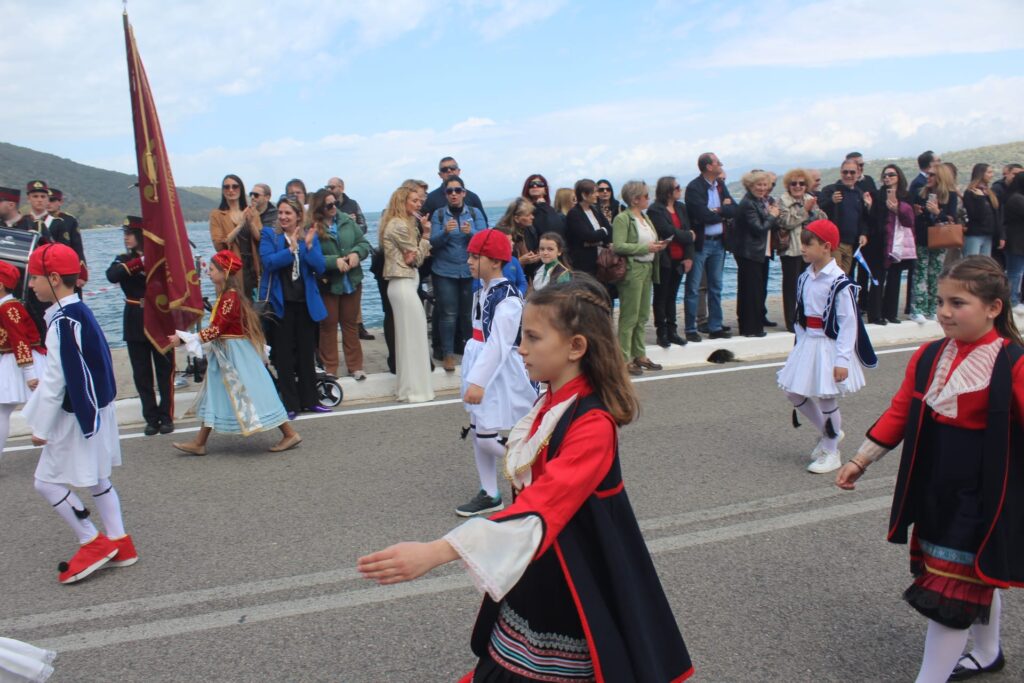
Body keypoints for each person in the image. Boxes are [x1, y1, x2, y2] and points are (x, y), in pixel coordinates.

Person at [358, 275, 694, 683]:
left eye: (533, 338)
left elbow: (543, 503)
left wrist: (437, 552)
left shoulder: (593, 425)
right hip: (539, 559)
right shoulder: (550, 399)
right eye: (522, 336)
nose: (520, 348)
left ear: (576, 347)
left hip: (574, 572)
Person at [835, 256, 1023, 683]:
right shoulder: (928, 356)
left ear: (993, 308)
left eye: (958, 303)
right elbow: (901, 411)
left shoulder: (1014, 362)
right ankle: (988, 652)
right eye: (940, 301)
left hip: (984, 494)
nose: (944, 312)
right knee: (970, 578)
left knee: (952, 592)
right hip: (937, 486)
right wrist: (860, 459)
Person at [21, 243, 138, 584]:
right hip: (97, 408)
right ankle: (120, 542)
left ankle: (92, 540)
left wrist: (41, 427)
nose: (31, 284)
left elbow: (57, 379)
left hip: (76, 414)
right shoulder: (80, 311)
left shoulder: (62, 320)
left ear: (55, 278)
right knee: (99, 478)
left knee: (45, 482)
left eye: (36, 277)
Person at [170, 250, 301, 455]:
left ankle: (289, 433)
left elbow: (217, 329)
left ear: (224, 272)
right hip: (226, 352)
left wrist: (186, 339)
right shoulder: (227, 296)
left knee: (256, 391)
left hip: (235, 354)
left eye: (212, 270)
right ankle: (199, 442)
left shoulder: (229, 298)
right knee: (214, 393)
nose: (209, 273)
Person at [778, 220, 875, 474]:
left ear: (826, 247)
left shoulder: (839, 282)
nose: (803, 248)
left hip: (829, 345)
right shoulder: (804, 277)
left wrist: (842, 360)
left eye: (808, 244)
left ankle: (831, 451)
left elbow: (849, 323)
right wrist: (799, 347)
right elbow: (800, 316)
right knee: (793, 392)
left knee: (825, 397)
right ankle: (829, 432)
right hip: (808, 342)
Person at [455, 229, 538, 517]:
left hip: (499, 372)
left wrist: (478, 381)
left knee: (487, 437)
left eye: (475, 256)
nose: (469, 261)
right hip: (481, 362)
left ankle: (535, 468)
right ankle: (490, 493)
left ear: (495, 261)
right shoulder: (482, 290)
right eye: (469, 255)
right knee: (479, 431)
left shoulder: (508, 298)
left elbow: (499, 344)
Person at [258, 196, 328, 417]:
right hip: (281, 305)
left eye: (288, 213)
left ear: (298, 216)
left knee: (307, 354)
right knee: (284, 356)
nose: (283, 217)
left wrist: (309, 246)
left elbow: (320, 267)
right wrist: (291, 250)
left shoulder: (309, 236)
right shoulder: (270, 235)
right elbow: (268, 263)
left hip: (304, 304)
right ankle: (290, 404)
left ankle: (311, 400)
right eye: (280, 212)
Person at [105, 216, 175, 436]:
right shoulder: (124, 259)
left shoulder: (161, 258)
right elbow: (112, 275)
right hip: (135, 316)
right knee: (141, 372)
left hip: (160, 316)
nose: (126, 237)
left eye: (130, 233)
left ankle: (166, 415)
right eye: (125, 233)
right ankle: (151, 418)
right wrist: (140, 262)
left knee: (165, 369)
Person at [381, 184, 434, 403]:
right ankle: (415, 391)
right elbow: (416, 258)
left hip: (405, 284)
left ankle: (408, 389)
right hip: (403, 284)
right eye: (414, 200)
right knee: (414, 338)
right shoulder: (399, 225)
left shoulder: (402, 223)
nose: (419, 204)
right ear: (402, 202)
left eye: (420, 201)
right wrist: (426, 236)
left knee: (409, 338)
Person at [311, 190, 370, 381]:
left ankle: (356, 367)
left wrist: (356, 253)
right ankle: (330, 368)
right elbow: (311, 256)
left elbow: (363, 243)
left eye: (335, 203)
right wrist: (333, 261)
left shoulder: (346, 220)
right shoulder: (312, 227)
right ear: (320, 208)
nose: (333, 207)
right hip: (329, 283)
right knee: (328, 326)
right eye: (329, 205)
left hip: (351, 281)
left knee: (350, 324)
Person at [430, 176, 486, 372]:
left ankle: (472, 352)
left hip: (470, 270)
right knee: (448, 314)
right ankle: (448, 354)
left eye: (457, 190)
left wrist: (471, 233)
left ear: (464, 193)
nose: (453, 194)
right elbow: (432, 242)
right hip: (445, 271)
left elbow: (484, 239)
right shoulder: (438, 215)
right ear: (445, 194)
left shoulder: (474, 212)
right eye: (449, 191)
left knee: (469, 314)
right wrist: (445, 232)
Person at [613, 180, 667, 375]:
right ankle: (624, 359)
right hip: (633, 269)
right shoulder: (623, 219)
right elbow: (618, 245)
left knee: (642, 315)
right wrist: (646, 247)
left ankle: (639, 354)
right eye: (645, 196)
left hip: (647, 268)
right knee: (630, 316)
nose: (648, 198)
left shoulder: (644, 217)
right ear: (635, 199)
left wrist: (657, 246)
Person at [684, 153, 736, 341]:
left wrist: (718, 210)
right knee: (693, 287)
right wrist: (722, 211)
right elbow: (702, 215)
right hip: (701, 243)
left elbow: (734, 209)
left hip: (719, 243)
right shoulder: (694, 187)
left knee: (716, 287)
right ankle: (691, 329)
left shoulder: (720, 185)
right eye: (717, 162)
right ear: (708, 167)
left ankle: (715, 326)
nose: (721, 164)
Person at [0, 260, 45, 467]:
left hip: (22, 361)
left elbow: (20, 340)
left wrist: (30, 373)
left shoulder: (9, 308)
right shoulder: (7, 306)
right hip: (14, 360)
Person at [646, 175, 694, 347]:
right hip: (665, 259)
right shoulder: (655, 210)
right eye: (677, 187)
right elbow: (667, 231)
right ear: (668, 191)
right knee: (661, 296)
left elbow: (687, 229)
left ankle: (672, 331)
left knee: (672, 296)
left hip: (680, 258)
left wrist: (688, 257)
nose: (680, 190)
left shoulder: (681, 207)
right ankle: (662, 332)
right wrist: (688, 236)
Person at [865, 165, 916, 325]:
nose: (887, 178)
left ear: (899, 176)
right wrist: (870, 206)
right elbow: (871, 219)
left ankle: (891, 313)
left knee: (895, 278)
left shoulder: (906, 196)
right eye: (885, 175)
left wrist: (897, 209)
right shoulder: (876, 195)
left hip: (897, 242)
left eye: (891, 175)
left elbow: (909, 221)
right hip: (878, 241)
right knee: (877, 278)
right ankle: (875, 315)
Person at [910, 165, 960, 324]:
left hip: (940, 239)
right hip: (923, 238)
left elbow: (952, 218)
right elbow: (914, 217)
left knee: (935, 274)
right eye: (928, 174)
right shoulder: (921, 193)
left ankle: (932, 308)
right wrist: (917, 213)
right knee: (920, 273)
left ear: (940, 177)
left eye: (932, 175)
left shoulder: (950, 195)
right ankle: (918, 309)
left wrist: (937, 212)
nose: (928, 177)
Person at [733, 170, 779, 338]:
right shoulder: (748, 203)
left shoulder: (758, 201)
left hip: (759, 252)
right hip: (749, 253)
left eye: (765, 185)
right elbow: (759, 228)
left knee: (756, 290)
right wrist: (772, 216)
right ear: (750, 185)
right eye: (758, 185)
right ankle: (751, 328)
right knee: (750, 291)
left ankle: (753, 325)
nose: (762, 188)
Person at [777, 169, 825, 332]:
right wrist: (804, 210)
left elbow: (822, 220)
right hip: (791, 250)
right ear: (788, 185)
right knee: (791, 287)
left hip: (808, 250)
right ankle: (791, 321)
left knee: (808, 285)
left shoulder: (811, 199)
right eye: (794, 183)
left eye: (801, 183)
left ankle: (805, 317)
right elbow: (785, 222)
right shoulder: (783, 200)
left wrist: (813, 210)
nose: (798, 186)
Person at [209, 174, 261, 298]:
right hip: (232, 270)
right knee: (235, 304)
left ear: (241, 189)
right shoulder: (217, 215)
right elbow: (219, 246)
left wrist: (250, 222)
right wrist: (240, 225)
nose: (231, 190)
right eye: (226, 187)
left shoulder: (252, 212)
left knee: (255, 305)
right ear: (223, 191)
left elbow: (260, 238)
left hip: (253, 267)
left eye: (235, 186)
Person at [819, 159, 871, 275]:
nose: (848, 175)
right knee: (835, 276)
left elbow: (863, 218)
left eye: (852, 172)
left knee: (844, 278)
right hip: (834, 243)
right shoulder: (830, 190)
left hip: (851, 244)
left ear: (858, 173)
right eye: (845, 172)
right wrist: (831, 201)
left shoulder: (859, 193)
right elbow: (819, 210)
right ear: (841, 172)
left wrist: (863, 233)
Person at [564, 178, 612, 279]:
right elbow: (588, 236)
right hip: (584, 263)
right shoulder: (574, 214)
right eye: (594, 192)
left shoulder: (595, 209)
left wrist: (600, 235)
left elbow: (609, 228)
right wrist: (603, 231)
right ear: (584, 195)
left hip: (600, 261)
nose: (597, 195)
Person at [521, 174, 565, 277]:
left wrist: (542, 205)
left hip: (550, 257)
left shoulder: (550, 210)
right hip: (531, 259)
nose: (535, 186)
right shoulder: (522, 211)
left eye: (539, 184)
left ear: (545, 189)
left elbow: (553, 229)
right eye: (531, 184)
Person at [422, 157, 487, 222]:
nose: (449, 170)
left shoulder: (473, 197)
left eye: (453, 168)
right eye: (444, 169)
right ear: (440, 174)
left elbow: (484, 224)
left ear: (458, 171)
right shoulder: (430, 199)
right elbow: (422, 224)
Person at [493, 198, 534, 295]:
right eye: (528, 215)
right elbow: (494, 264)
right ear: (516, 218)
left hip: (521, 280)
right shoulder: (500, 233)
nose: (532, 217)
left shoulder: (527, 230)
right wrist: (520, 261)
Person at [962, 163, 1003, 257]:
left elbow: (996, 214)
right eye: (989, 172)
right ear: (981, 174)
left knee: (984, 263)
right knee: (972, 262)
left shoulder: (989, 192)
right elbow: (975, 215)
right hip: (975, 233)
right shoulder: (970, 192)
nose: (992, 175)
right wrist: (980, 199)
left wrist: (1000, 235)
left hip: (988, 234)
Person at [1003, 172, 1024, 313]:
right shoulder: (1017, 199)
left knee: (1018, 272)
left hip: (1019, 241)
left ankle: (1015, 298)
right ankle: (1012, 300)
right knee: (1015, 272)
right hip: (1016, 241)